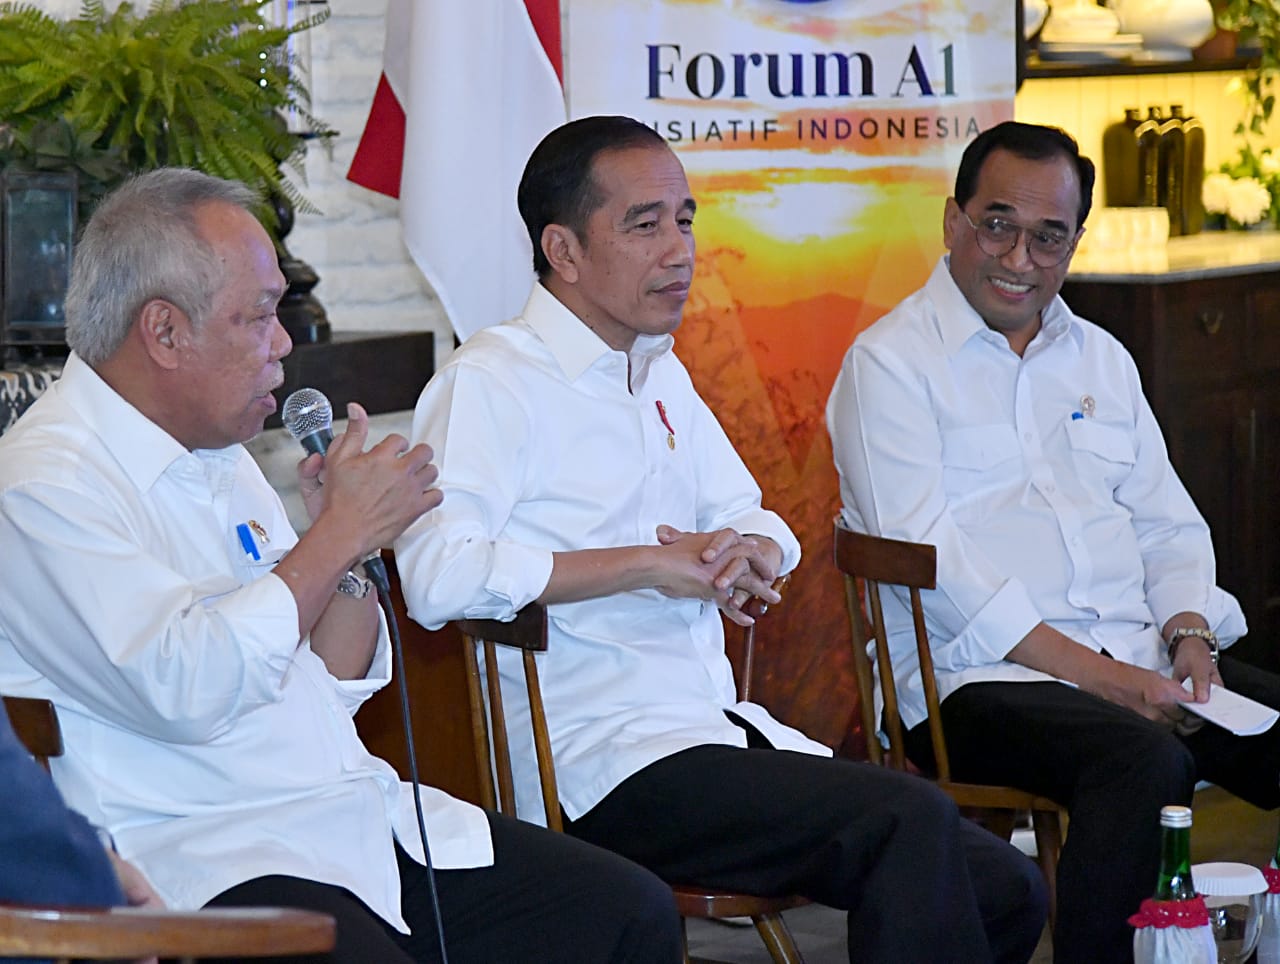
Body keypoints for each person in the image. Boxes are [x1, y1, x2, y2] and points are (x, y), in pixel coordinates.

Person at [394, 114, 1049, 964]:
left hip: (714, 729)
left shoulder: (658, 370)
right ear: (562, 249)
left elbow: (756, 514)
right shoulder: (488, 382)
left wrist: (756, 553)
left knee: (1007, 887)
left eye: (686, 220)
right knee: (909, 821)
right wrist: (648, 566)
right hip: (602, 764)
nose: (680, 249)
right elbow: (437, 576)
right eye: (645, 225)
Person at [0, 168, 682, 964]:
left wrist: (347, 545)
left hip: (346, 820)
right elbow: (185, 686)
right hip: (211, 853)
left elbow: (331, 671)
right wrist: (335, 539)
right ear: (164, 332)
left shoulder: (220, 454)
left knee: (624, 911)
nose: (284, 343)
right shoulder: (45, 485)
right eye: (259, 316)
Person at [826, 120, 1280, 964]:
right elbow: (938, 570)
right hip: (975, 680)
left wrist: (1187, 632)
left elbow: (1167, 523)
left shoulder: (1101, 358)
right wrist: (1105, 678)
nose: (1020, 258)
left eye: (1049, 236)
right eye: (997, 225)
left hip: (1141, 654)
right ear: (953, 221)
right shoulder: (887, 365)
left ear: (1076, 239)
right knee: (1142, 764)